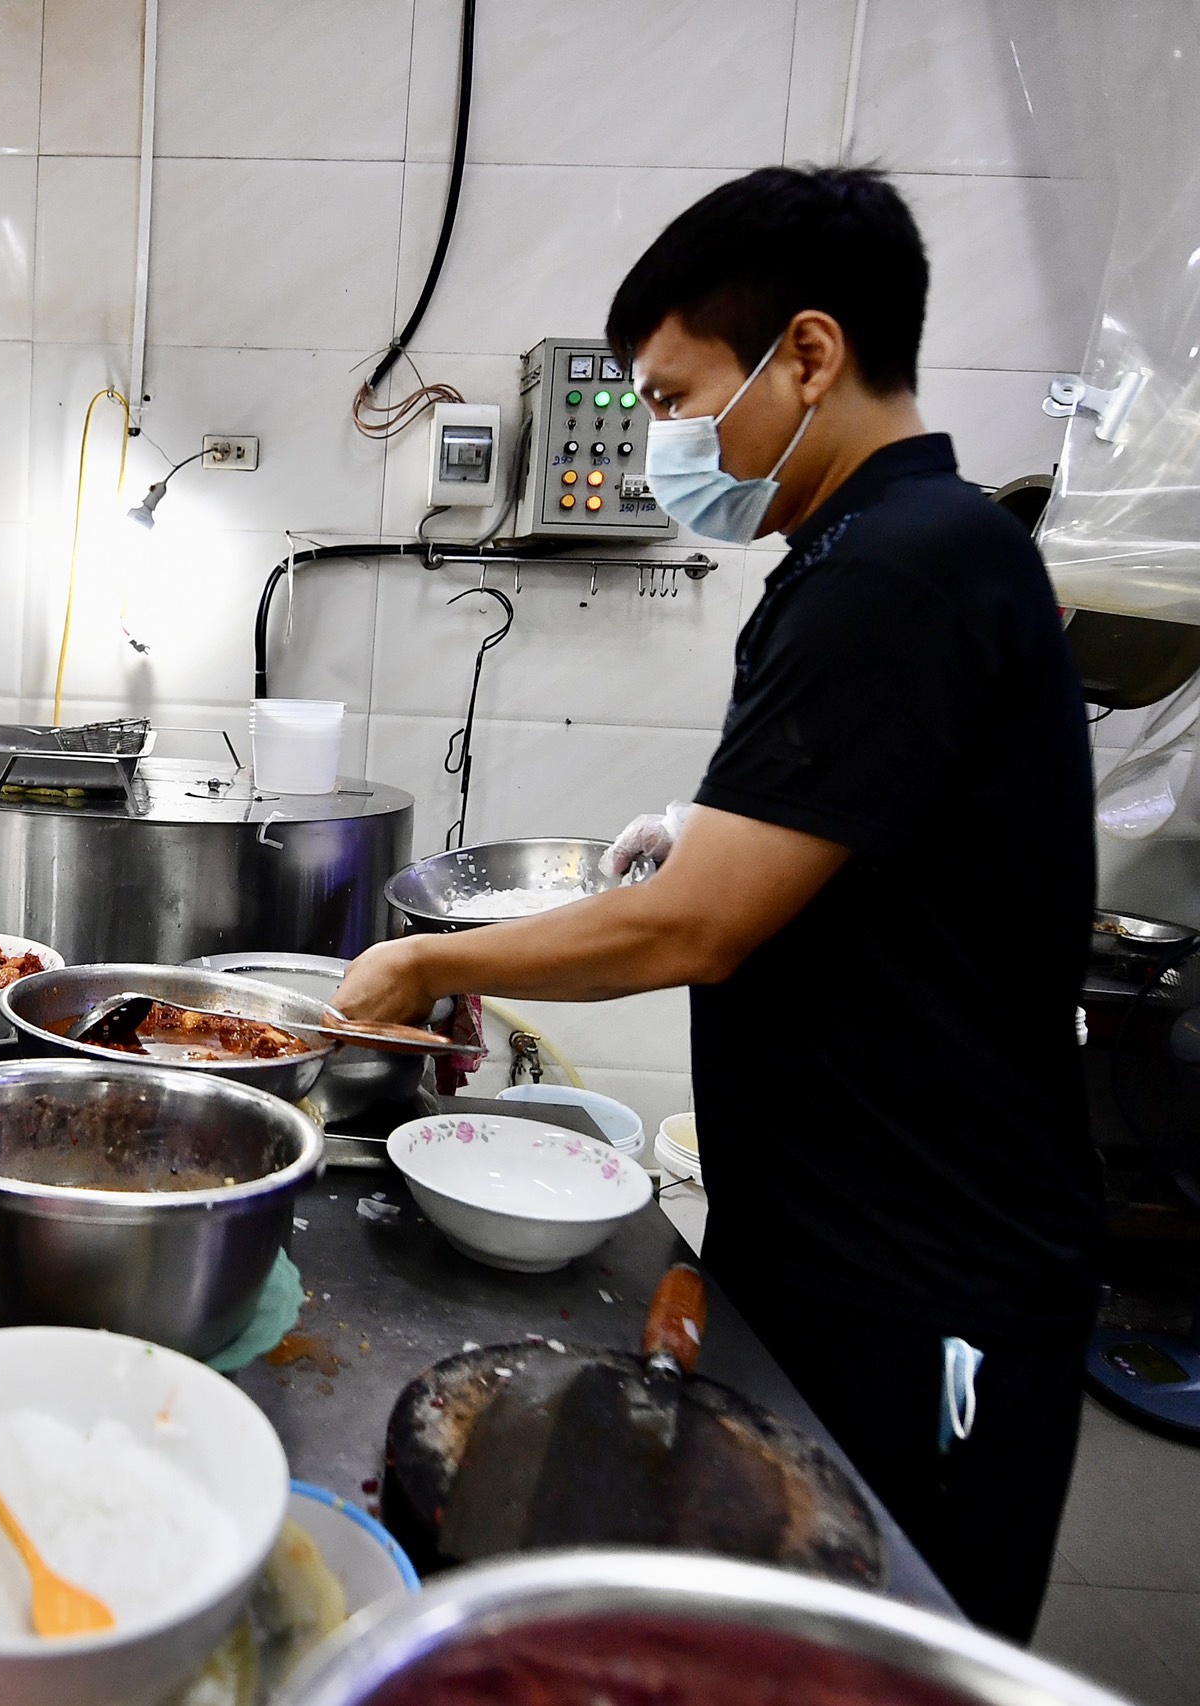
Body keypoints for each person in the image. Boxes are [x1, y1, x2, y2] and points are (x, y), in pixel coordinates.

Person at [331, 167, 1097, 1640]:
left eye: (677, 400)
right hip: (833, 1235)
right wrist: (707, 823)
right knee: (778, 1629)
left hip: (928, 1273)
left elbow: (698, 925)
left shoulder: (905, 568)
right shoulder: (878, 554)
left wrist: (428, 959)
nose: (663, 445)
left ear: (807, 353)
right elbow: (849, 847)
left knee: (884, 1634)